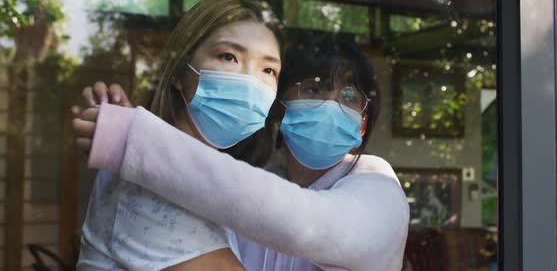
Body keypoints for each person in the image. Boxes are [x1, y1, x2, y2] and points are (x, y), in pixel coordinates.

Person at [75, 36, 410, 270]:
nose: (330, 104)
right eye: (314, 88)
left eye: (349, 96)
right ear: (278, 107)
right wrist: (129, 136)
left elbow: (307, 224)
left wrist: (136, 140)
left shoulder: (377, 184)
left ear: (363, 122)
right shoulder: (249, 187)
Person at [73, 0, 282, 270]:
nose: (250, 81)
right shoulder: (148, 179)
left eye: (268, 69)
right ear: (179, 73)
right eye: (229, 57)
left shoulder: (200, 178)